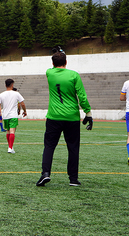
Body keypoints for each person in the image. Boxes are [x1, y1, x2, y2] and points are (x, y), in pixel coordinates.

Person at [37, 51, 92, 187]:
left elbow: (52, 68)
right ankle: (73, 178)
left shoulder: (49, 73)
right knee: (73, 148)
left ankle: (45, 173)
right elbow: (82, 96)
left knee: (49, 146)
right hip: (72, 117)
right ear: (66, 62)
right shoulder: (74, 75)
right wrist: (88, 113)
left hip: (54, 117)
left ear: (53, 63)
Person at [0, 79, 27, 153]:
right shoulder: (16, 93)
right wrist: (24, 111)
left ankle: (10, 147)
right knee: (12, 131)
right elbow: (22, 103)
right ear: (12, 85)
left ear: (5, 85)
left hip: (5, 115)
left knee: (8, 131)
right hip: (13, 115)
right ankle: (10, 148)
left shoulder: (1, 94)